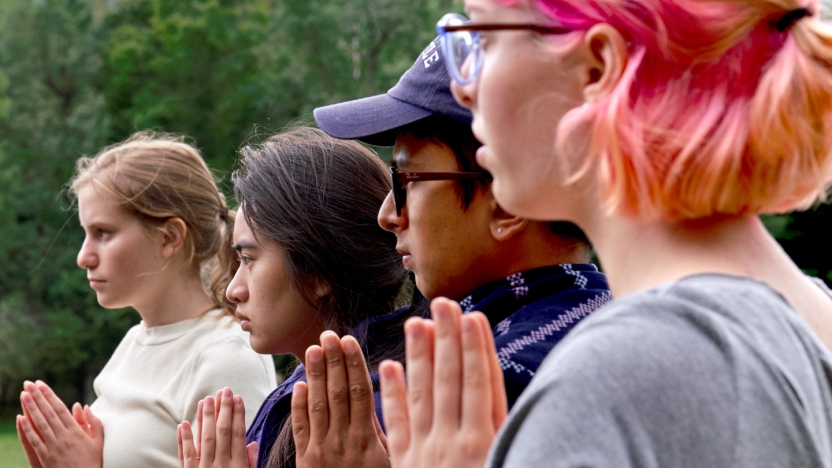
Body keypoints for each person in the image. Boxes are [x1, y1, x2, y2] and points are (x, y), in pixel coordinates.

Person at [379, 1, 832, 467]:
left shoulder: (612, 383)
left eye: (485, 42)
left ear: (596, 69)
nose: (463, 88)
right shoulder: (810, 318)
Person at [314, 37, 611, 408]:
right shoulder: (616, 329)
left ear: (506, 202)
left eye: (405, 180)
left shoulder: (493, 389)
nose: (387, 215)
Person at [15, 132, 277, 468]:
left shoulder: (225, 359)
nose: (84, 257)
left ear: (169, 238)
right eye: (86, 233)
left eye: (103, 233)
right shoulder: (134, 342)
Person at [177, 126, 415, 468]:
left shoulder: (367, 417)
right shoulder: (311, 391)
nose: (233, 290)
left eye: (248, 259)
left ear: (318, 271)